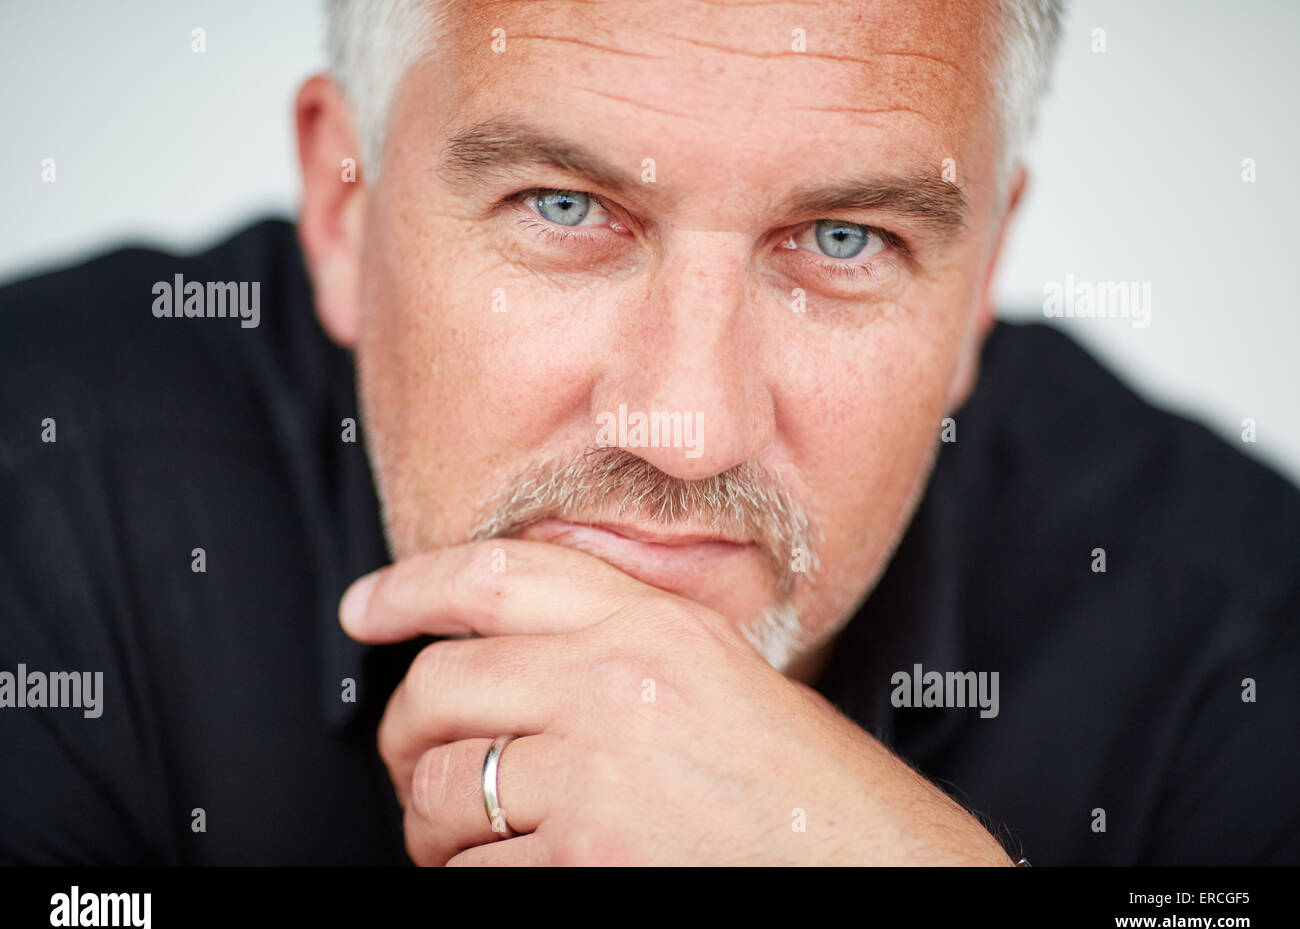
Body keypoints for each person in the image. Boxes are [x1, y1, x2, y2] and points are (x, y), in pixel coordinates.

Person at [1, 0, 1296, 866]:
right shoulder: (38, 488)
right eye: (565, 208)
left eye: (843, 241)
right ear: (344, 210)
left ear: (980, 284)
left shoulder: (1237, 628)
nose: (686, 432)